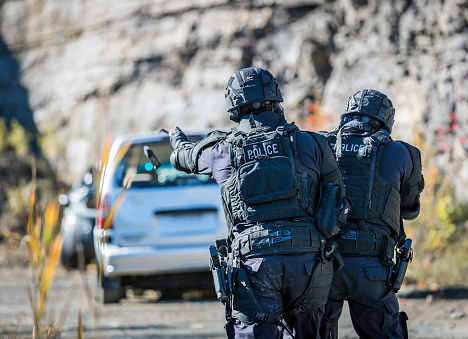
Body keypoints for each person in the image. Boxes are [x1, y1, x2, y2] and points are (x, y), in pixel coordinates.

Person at [168, 67, 348, 339]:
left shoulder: (221, 150)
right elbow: (338, 198)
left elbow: (184, 159)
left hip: (255, 265)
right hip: (308, 262)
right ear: (276, 99)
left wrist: (178, 142)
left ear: (233, 106)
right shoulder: (312, 143)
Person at [318, 89, 425, 339]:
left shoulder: (319, 143)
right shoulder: (404, 153)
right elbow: (410, 211)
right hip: (372, 266)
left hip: (323, 263)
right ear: (386, 119)